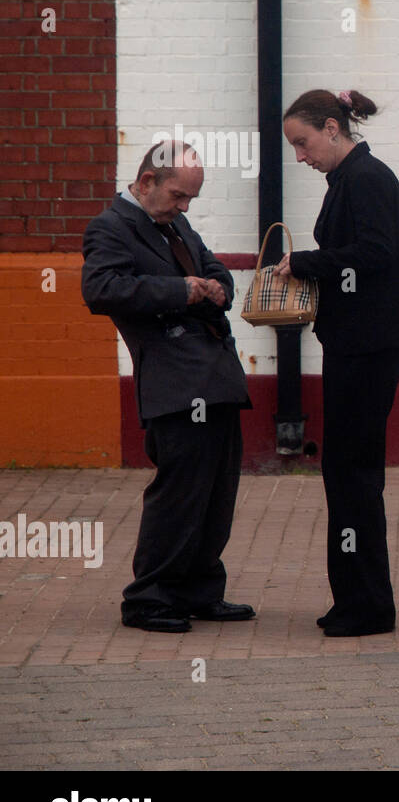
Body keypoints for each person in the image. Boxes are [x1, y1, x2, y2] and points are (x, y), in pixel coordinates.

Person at [274, 90, 399, 637]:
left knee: (352, 471)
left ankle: (367, 605)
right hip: (359, 342)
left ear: (331, 126)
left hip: (368, 344)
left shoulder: (366, 179)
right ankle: (357, 599)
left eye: (303, 142)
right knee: (347, 470)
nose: (300, 155)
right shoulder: (352, 178)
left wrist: (304, 264)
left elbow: (375, 252)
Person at [81, 141, 253, 633]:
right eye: (178, 195)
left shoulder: (173, 225)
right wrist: (183, 290)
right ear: (147, 181)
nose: (184, 207)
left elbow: (211, 266)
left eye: (190, 200)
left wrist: (217, 284)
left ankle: (199, 589)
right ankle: (149, 598)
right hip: (175, 382)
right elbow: (101, 289)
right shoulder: (111, 228)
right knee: (178, 493)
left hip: (214, 376)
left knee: (217, 491)